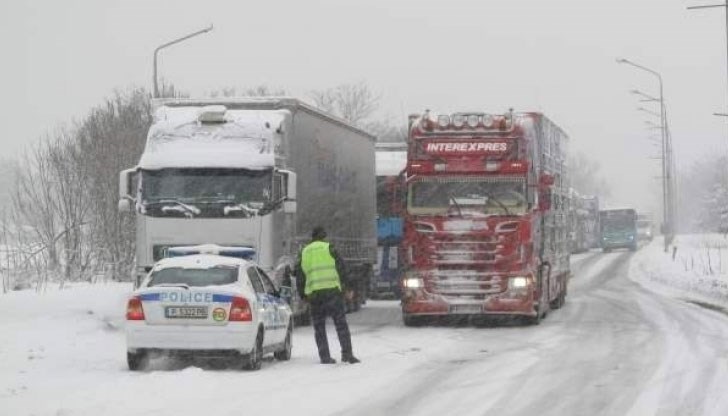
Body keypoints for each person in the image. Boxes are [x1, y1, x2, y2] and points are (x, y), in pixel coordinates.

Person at [296, 226, 360, 364]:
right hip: (332, 293)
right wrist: (347, 287)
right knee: (341, 324)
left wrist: (302, 295)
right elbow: (342, 269)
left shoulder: (304, 252)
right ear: (324, 237)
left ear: (312, 238)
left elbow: (300, 276)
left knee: (319, 327)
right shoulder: (329, 248)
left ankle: (325, 356)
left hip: (315, 295)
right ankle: (347, 354)